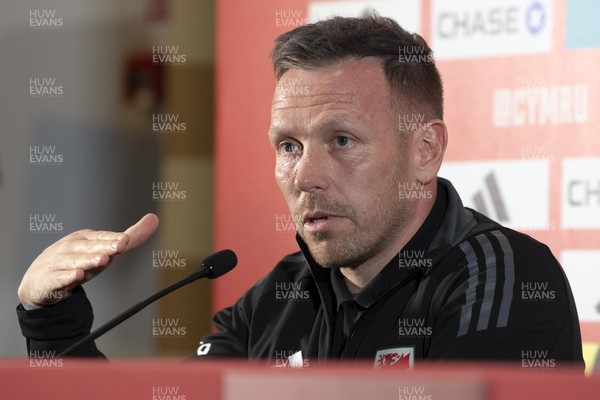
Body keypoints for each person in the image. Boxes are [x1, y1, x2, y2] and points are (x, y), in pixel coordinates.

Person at [17, 15, 584, 370]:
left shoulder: (506, 277)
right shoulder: (271, 303)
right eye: (288, 146)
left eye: (341, 139)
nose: (305, 175)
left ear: (425, 150)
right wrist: (54, 323)